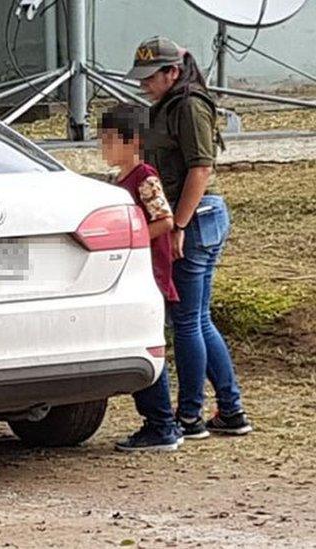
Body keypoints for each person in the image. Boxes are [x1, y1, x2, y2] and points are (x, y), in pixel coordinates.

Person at [127, 36, 252, 438]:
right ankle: (231, 411)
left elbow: (201, 169)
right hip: (194, 219)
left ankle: (190, 416)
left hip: (197, 219)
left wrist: (178, 226)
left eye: (151, 77)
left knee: (186, 321)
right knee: (198, 319)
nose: (144, 84)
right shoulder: (167, 106)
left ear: (173, 73)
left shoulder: (189, 106)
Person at [99, 104, 183, 452]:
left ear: (132, 141)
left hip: (149, 274)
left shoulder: (145, 177)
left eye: (109, 140)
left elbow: (164, 219)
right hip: (130, 274)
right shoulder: (116, 182)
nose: (103, 148)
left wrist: (132, 238)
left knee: (147, 345)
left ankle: (161, 422)